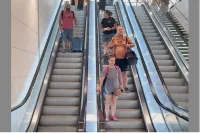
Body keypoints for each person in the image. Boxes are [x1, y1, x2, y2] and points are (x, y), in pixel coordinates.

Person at [97, 55, 125, 121]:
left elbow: (120, 77)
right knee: (107, 102)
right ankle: (107, 116)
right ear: (108, 61)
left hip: (116, 88)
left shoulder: (117, 68)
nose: (113, 62)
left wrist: (121, 86)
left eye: (114, 60)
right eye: (111, 60)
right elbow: (101, 79)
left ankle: (113, 115)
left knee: (114, 102)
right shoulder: (105, 69)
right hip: (108, 88)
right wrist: (99, 87)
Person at [109, 26, 135, 93]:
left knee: (124, 73)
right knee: (117, 73)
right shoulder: (114, 38)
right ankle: (118, 87)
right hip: (116, 59)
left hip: (124, 59)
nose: (121, 31)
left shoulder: (126, 38)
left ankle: (125, 87)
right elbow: (109, 46)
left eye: (121, 29)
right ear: (117, 31)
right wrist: (113, 45)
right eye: (119, 29)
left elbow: (133, 44)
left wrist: (127, 45)